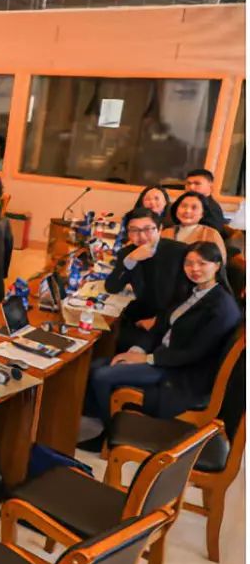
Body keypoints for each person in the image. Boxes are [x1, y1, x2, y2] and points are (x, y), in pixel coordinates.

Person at [79, 241, 240, 451]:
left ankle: (109, 436)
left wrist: (146, 359)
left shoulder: (221, 308)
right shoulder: (191, 290)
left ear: (217, 265)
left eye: (202, 263)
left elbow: (195, 354)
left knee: (102, 375)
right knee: (95, 366)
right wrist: (137, 350)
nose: (194, 269)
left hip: (181, 372)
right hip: (163, 356)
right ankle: (105, 415)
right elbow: (160, 327)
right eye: (189, 263)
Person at [105, 207, 193, 352]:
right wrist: (131, 260)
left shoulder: (180, 252)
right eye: (134, 230)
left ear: (160, 229)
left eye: (147, 229)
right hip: (141, 316)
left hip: (171, 320)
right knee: (113, 339)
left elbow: (189, 295)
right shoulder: (128, 253)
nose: (141, 236)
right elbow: (112, 287)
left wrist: (159, 321)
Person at [162, 191, 227, 262]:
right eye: (183, 206)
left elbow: (220, 263)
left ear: (202, 213)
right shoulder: (165, 232)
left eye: (194, 208)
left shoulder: (211, 234)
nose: (187, 211)